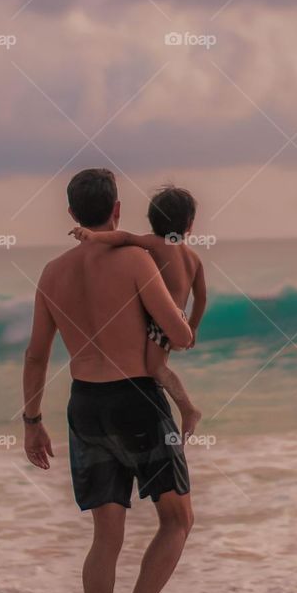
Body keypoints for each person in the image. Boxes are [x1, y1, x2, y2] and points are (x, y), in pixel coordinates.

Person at [22, 167, 194, 593]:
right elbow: (180, 335)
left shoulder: (53, 273)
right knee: (178, 520)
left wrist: (32, 419)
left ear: (73, 215)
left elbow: (35, 355)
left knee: (106, 536)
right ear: (117, 211)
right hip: (137, 400)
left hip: (85, 406)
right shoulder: (137, 259)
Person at [69, 184, 206, 444]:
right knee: (157, 364)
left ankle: (188, 408)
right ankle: (186, 409)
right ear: (189, 225)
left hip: (161, 320)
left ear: (153, 220)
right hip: (178, 319)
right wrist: (193, 327)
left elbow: (123, 238)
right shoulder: (193, 257)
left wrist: (93, 236)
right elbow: (201, 297)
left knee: (156, 368)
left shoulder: (155, 243)